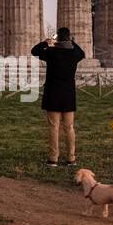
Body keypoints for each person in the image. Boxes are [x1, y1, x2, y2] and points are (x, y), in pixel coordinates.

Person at [31, 27, 85, 167]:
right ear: (68, 38)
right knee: (69, 127)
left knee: (53, 127)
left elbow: (34, 51)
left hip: (53, 93)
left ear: (58, 38)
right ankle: (71, 158)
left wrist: (47, 42)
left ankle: (53, 158)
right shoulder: (73, 53)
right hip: (68, 94)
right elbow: (82, 53)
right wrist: (71, 42)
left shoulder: (51, 52)